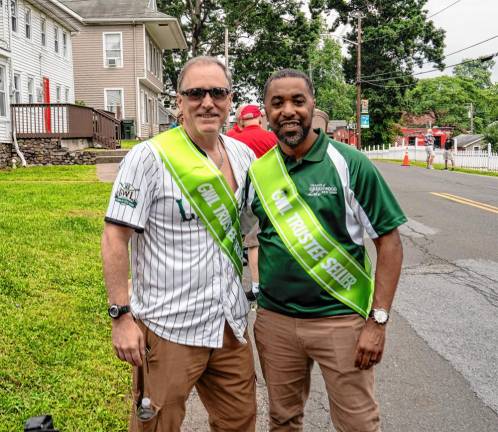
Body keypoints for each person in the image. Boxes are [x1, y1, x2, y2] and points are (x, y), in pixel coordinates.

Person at [101, 56, 257, 432]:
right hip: (169, 328)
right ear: (178, 101)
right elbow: (114, 237)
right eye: (195, 93)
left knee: (240, 423)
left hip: (229, 325)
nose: (207, 102)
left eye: (217, 92)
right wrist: (121, 316)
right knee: (156, 426)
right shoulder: (148, 158)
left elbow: (251, 232)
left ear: (230, 99)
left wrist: (259, 292)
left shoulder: (243, 156)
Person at [249, 69, 406, 431]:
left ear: (313, 105)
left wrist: (377, 321)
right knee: (283, 421)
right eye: (278, 103)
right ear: (266, 111)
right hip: (276, 322)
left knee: (357, 424)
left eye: (297, 101)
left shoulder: (350, 163)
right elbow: (246, 235)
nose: (288, 110)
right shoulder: (259, 173)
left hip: (341, 320)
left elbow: (390, 242)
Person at [233, 104, 278, 300]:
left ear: (242, 120)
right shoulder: (273, 138)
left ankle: (256, 286)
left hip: (246, 196)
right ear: (260, 119)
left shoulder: (232, 139)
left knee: (251, 244)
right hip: (273, 194)